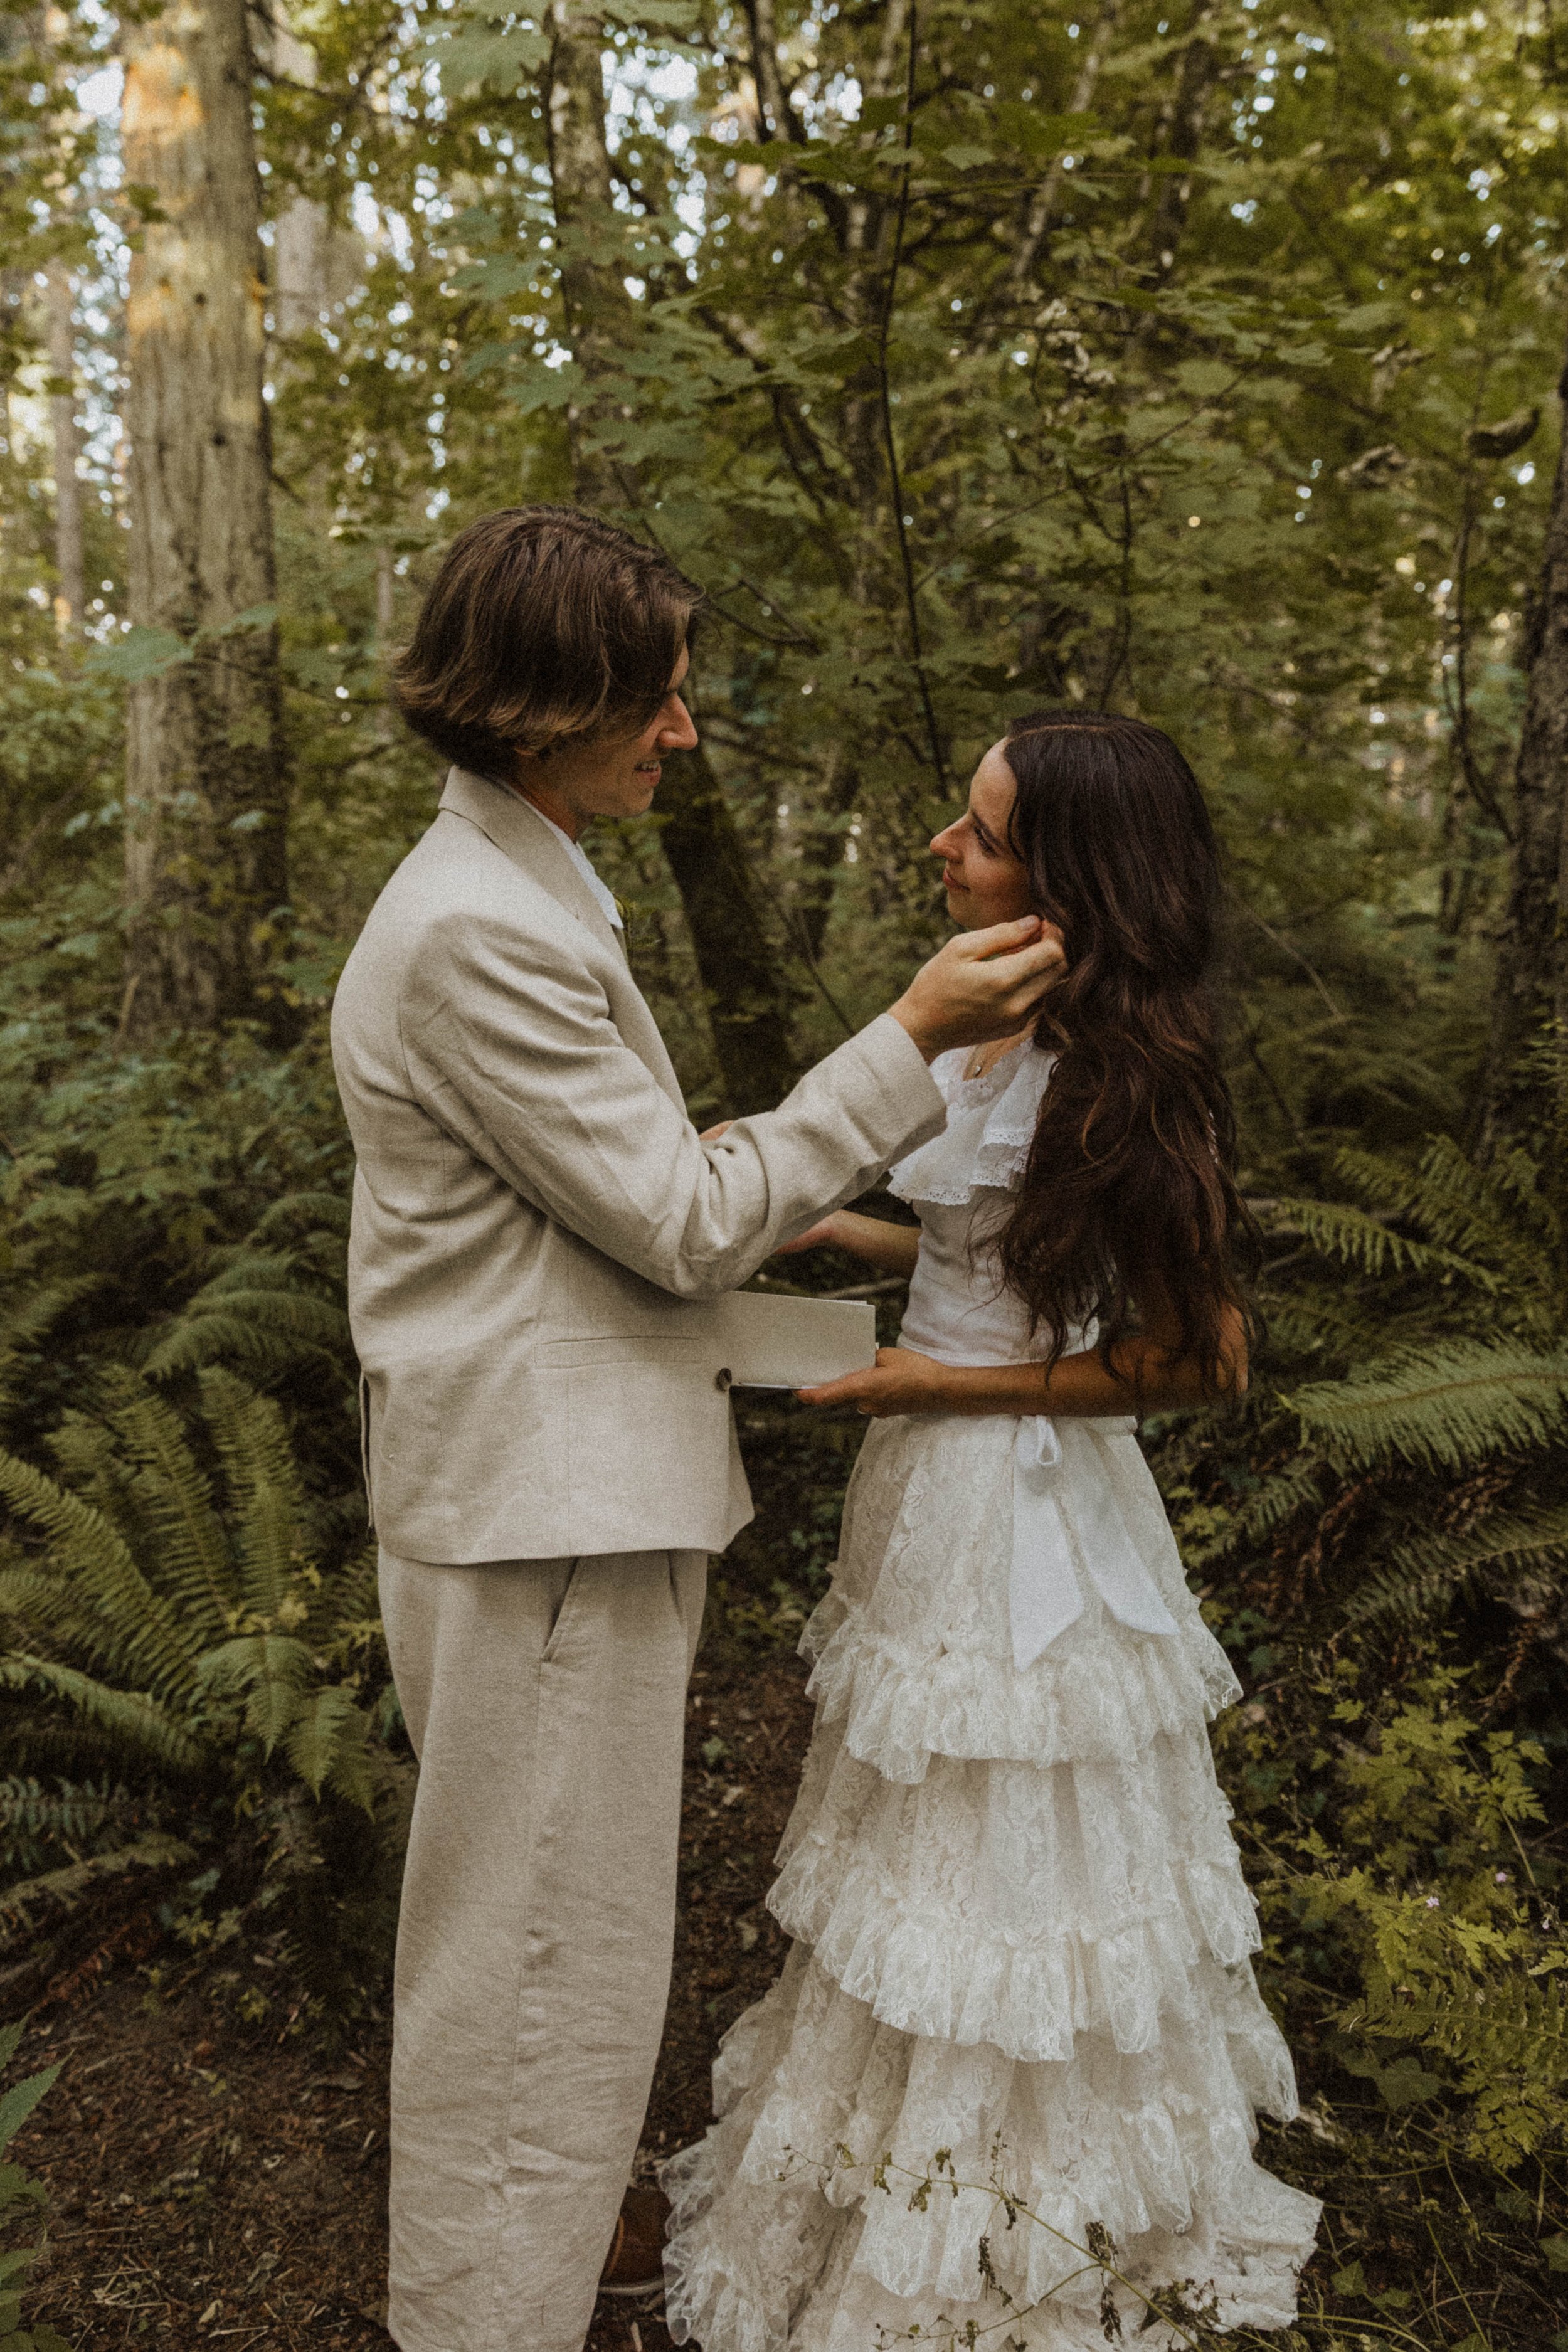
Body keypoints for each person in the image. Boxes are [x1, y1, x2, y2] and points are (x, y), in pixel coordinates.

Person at [327, 506, 1064, 2352]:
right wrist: (900, 1044)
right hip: (538, 1516)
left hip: (553, 1482)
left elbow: (578, 1235)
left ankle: (532, 2276)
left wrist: (847, 1300)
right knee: (535, 1962)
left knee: (558, 1939)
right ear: (540, 703)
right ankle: (483, 2322)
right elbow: (664, 1215)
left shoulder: (535, 879)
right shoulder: (476, 931)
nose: (679, 733)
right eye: (652, 701)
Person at [661, 712, 1322, 2349]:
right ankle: (905, 2163)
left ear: (1070, 875)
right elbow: (994, 1243)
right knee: (917, 1840)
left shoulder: (1134, 1072)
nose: (940, 853)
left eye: (977, 833)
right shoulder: (977, 1028)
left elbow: (1196, 1358)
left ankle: (1024, 2232)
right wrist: (846, 1226)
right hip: (927, 1493)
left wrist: (928, 1386)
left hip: (1018, 1497)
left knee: (1014, 1853)